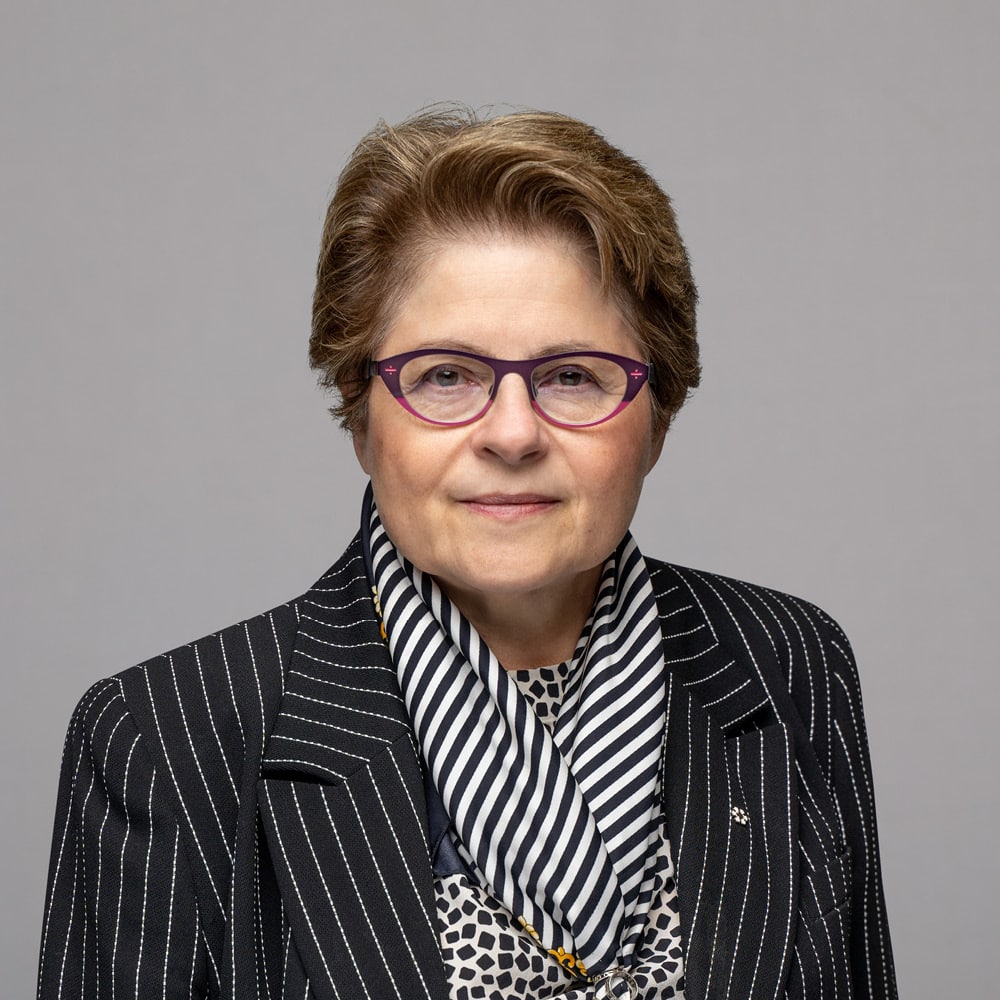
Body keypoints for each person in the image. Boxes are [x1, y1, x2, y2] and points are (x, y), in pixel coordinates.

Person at [36, 107, 897, 1000]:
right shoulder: (165, 735)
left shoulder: (788, 663)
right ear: (361, 416)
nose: (513, 433)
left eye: (573, 375)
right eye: (446, 376)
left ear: (659, 416)